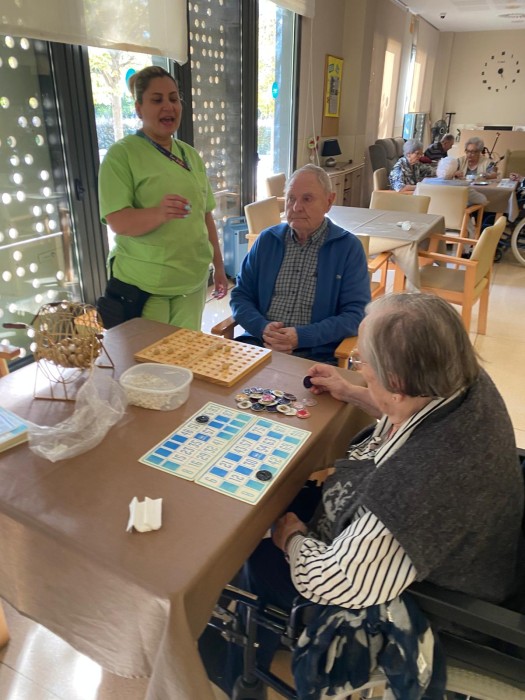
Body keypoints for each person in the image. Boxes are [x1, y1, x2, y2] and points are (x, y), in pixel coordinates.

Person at [222, 293, 524, 696]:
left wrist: (290, 537)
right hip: (459, 542)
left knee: (248, 548)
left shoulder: (422, 483)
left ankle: (237, 669)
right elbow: (412, 409)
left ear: (395, 384)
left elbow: (335, 581)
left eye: (362, 361)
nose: (358, 368)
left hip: (435, 599)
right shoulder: (458, 376)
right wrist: (353, 392)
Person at [98, 66, 227, 331]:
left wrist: (219, 267)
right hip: (145, 285)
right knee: (150, 355)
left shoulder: (190, 155)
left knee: (186, 352)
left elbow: (205, 216)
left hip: (191, 282)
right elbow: (117, 221)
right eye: (157, 100)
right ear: (139, 108)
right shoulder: (121, 155)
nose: (168, 106)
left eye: (173, 98)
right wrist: (159, 213)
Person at [229, 164, 371, 363]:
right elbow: (240, 295)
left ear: (329, 201)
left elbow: (356, 314)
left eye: (307, 199)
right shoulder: (267, 241)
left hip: (316, 357)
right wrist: (262, 328)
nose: (296, 207)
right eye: (291, 198)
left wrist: (302, 336)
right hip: (259, 347)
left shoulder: (347, 248)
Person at [419, 156, 488, 207]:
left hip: (431, 221)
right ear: (455, 171)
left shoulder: (424, 183)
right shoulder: (463, 186)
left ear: (437, 169)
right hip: (457, 222)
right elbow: (482, 200)